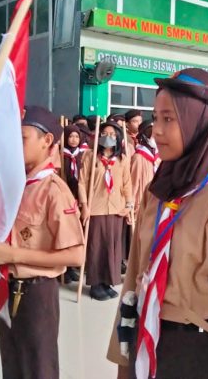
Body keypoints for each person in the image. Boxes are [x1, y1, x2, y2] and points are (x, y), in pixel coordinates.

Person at [107, 68, 208, 379]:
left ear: (200, 123)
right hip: (144, 331)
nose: (157, 131)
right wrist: (123, 359)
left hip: (191, 350)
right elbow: (134, 279)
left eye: (170, 119)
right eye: (156, 117)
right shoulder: (160, 190)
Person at [0, 106, 84, 379]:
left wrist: (12, 254)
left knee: (38, 366)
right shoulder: (15, 187)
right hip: (7, 286)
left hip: (37, 292)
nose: (16, 145)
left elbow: (76, 255)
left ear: (46, 141)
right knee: (12, 361)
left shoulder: (54, 191)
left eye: (23, 138)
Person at [78, 121, 133, 301]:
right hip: (96, 209)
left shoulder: (122, 160)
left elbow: (127, 184)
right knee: (96, 247)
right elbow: (82, 183)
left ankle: (107, 282)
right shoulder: (89, 156)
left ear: (118, 138)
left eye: (112, 134)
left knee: (112, 247)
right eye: (105, 133)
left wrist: (129, 205)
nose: (108, 137)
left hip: (116, 208)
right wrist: (84, 206)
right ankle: (95, 284)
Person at [130, 120, 160, 218]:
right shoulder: (138, 157)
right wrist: (131, 204)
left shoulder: (160, 157)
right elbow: (133, 184)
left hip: (157, 201)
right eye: (150, 133)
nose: (154, 137)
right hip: (142, 203)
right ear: (144, 136)